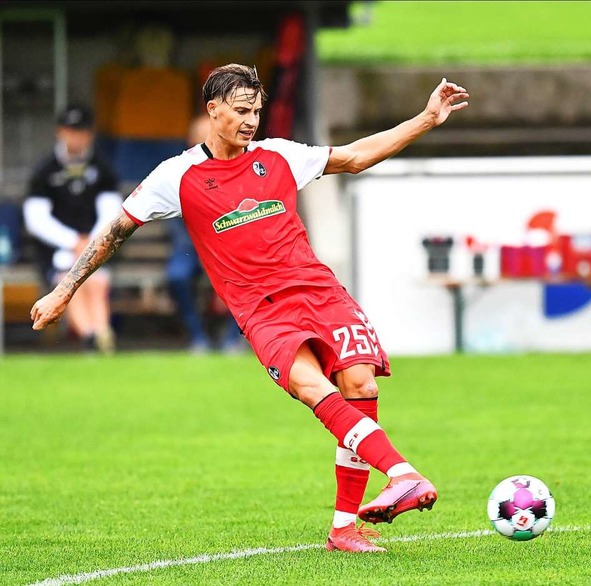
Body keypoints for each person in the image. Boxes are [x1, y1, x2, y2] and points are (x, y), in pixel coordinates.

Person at [30, 65, 469, 551]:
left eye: (256, 111)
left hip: (320, 291)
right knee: (310, 386)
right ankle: (402, 474)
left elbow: (355, 156)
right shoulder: (176, 176)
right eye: (241, 111)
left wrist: (426, 119)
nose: (251, 121)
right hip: (262, 310)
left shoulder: (278, 155)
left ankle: (344, 528)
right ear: (212, 109)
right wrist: (64, 291)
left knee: (360, 384)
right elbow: (114, 232)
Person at [24, 104, 122, 353]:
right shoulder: (45, 171)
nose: (75, 137)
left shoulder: (102, 168)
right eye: (70, 130)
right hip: (57, 250)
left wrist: (90, 244)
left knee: (96, 282)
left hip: (97, 246)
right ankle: (91, 337)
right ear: (60, 132)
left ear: (90, 133)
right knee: (69, 282)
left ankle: (101, 336)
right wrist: (71, 242)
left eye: (81, 131)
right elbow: (36, 220)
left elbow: (112, 212)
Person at [165, 113, 246, 353]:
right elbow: (173, 219)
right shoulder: (176, 174)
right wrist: (202, 249)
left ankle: (234, 338)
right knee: (177, 276)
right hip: (190, 248)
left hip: (230, 249)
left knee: (247, 275)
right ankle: (197, 336)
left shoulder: (238, 171)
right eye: (201, 139)